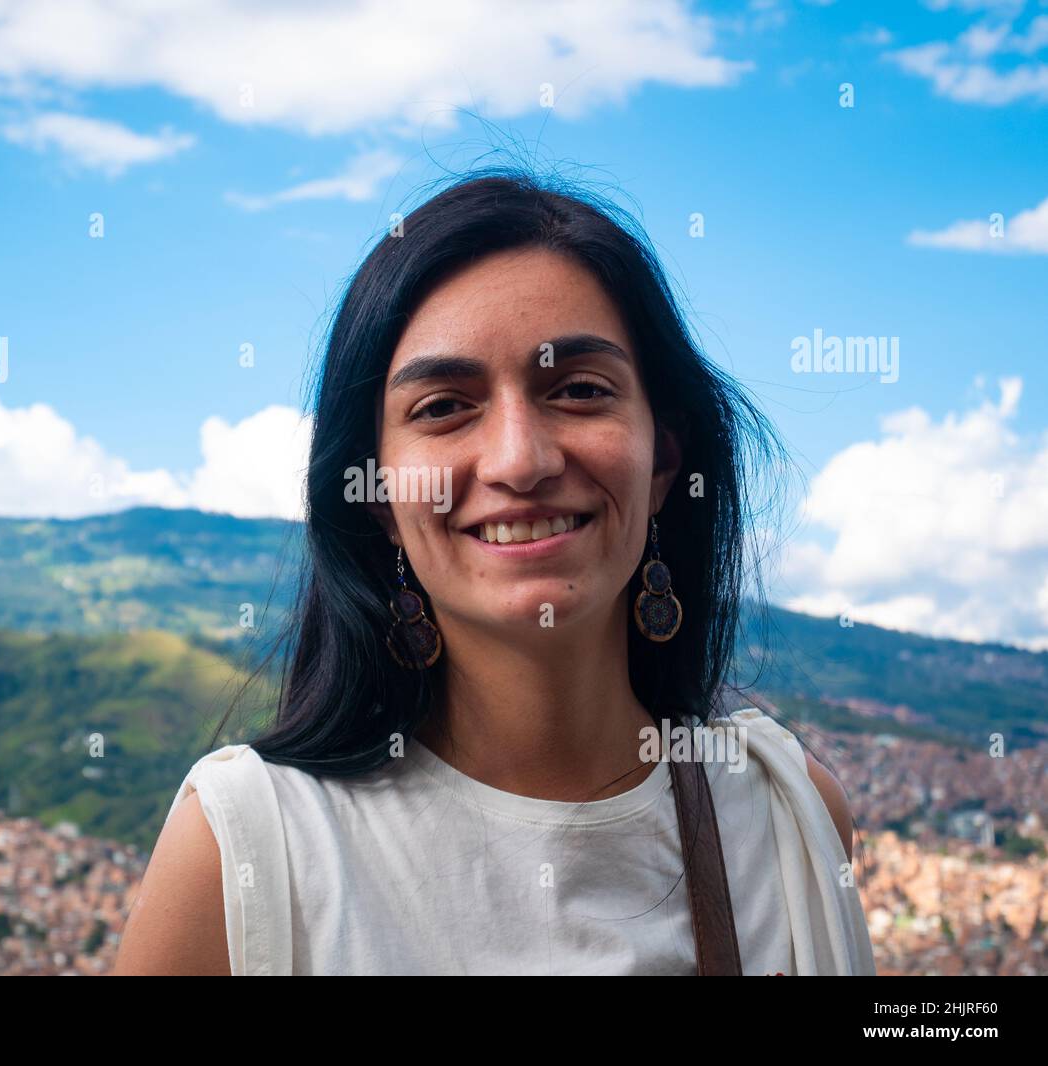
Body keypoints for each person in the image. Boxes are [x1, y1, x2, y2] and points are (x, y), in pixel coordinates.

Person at [113, 169, 876, 976]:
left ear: (663, 463)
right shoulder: (244, 855)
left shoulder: (784, 818)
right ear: (376, 494)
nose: (521, 460)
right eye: (443, 406)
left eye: (580, 390)